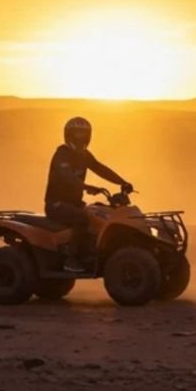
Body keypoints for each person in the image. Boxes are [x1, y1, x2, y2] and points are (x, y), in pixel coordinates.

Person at [45, 117, 133, 274]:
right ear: (69, 135)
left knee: (100, 214)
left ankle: (92, 254)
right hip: (56, 205)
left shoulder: (84, 155)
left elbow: (101, 169)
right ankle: (71, 260)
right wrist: (85, 186)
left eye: (83, 134)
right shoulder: (62, 154)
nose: (81, 137)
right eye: (77, 133)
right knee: (82, 219)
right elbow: (66, 175)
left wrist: (122, 182)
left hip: (75, 204)